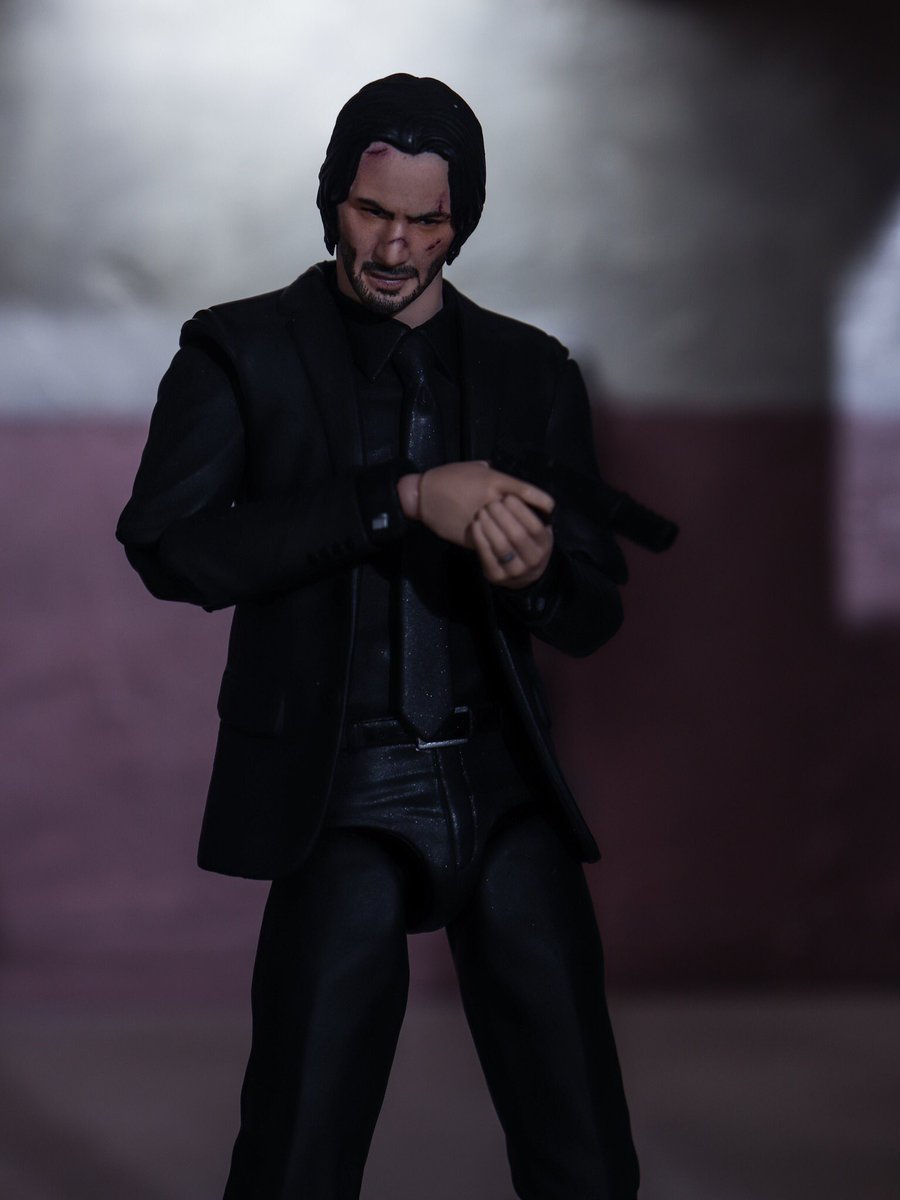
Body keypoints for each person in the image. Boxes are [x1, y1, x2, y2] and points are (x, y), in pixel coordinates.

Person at [117, 73, 640, 1200]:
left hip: (501, 783)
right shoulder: (240, 351)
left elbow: (595, 611)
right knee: (302, 1139)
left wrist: (536, 574)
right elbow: (170, 549)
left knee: (584, 1142)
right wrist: (396, 500)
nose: (395, 246)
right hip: (338, 785)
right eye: (371, 211)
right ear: (331, 199)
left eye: (426, 219)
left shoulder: (529, 369)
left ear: (462, 221)